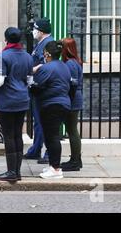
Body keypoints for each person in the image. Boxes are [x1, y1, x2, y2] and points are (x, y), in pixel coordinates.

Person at [0, 28, 33, 182]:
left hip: (8, 101)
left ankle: (11, 171)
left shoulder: (3, 55)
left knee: (9, 136)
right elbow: (30, 81)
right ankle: (17, 171)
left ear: (6, 40)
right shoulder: (28, 57)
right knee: (18, 134)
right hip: (23, 99)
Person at [32, 41, 71, 179]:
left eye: (44, 53)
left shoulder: (47, 68)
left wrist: (29, 85)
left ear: (47, 54)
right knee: (52, 136)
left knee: (51, 137)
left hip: (51, 105)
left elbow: (37, 86)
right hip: (63, 104)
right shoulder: (64, 66)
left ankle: (55, 169)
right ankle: (53, 166)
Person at [24, 18, 54, 164]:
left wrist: (33, 69)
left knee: (43, 121)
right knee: (38, 121)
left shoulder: (48, 44)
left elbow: (46, 63)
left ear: (41, 31)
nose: (33, 32)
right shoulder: (42, 43)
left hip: (42, 86)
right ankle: (36, 149)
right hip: (37, 85)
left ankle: (46, 152)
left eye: (35, 29)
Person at [61, 38, 84, 171]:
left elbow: (73, 84)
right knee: (71, 129)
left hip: (73, 99)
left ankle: (75, 161)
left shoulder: (70, 64)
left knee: (72, 130)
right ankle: (76, 159)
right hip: (74, 98)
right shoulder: (74, 62)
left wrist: (68, 99)